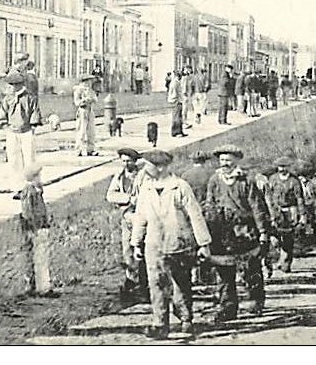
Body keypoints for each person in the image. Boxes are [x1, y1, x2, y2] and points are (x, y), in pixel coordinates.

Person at [131, 150, 212, 340]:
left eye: (148, 165)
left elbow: (195, 215)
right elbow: (140, 217)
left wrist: (203, 243)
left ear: (160, 167)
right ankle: (160, 324)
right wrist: (136, 242)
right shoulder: (146, 188)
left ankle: (185, 319)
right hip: (154, 244)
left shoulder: (180, 186)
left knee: (181, 283)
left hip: (179, 243)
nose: (144, 168)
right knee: (156, 284)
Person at [204, 144, 271, 322]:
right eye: (222, 160)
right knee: (224, 271)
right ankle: (228, 307)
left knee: (251, 268)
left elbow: (258, 208)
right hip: (222, 234)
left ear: (236, 161)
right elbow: (209, 204)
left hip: (245, 232)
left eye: (228, 160)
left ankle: (256, 301)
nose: (224, 163)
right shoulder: (214, 180)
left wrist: (263, 232)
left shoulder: (246, 181)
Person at [106, 147, 148, 301]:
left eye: (128, 161)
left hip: (143, 216)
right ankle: (131, 280)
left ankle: (144, 284)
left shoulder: (143, 176)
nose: (125, 164)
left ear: (135, 161)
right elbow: (110, 195)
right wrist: (128, 199)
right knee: (128, 250)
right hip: (127, 218)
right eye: (123, 161)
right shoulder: (119, 177)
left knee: (142, 248)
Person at [19, 163, 59, 297]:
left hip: (39, 227)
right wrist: (34, 227)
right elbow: (28, 212)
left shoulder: (35, 190)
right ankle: (43, 288)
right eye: (38, 176)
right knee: (41, 258)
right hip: (37, 228)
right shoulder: (30, 191)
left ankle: (39, 286)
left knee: (40, 258)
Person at [267, 156, 307, 273]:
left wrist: (302, 214)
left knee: (288, 238)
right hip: (276, 211)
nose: (282, 169)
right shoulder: (273, 179)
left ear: (289, 168)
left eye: (285, 166)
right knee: (275, 237)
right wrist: (270, 210)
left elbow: (299, 198)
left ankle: (286, 262)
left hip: (291, 210)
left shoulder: (294, 181)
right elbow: (268, 196)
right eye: (280, 166)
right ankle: (281, 256)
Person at [0, 72, 42, 174]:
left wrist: (33, 126)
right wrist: (5, 126)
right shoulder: (8, 98)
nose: (12, 87)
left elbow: (35, 112)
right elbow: (3, 113)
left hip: (26, 131)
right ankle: (16, 184)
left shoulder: (30, 98)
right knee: (13, 159)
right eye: (10, 85)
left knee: (29, 159)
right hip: (12, 132)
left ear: (20, 85)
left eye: (14, 84)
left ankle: (30, 183)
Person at [73, 74, 99, 156]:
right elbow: (77, 102)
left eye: (90, 81)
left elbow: (95, 99)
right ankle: (78, 149)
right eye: (88, 81)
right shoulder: (78, 90)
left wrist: (92, 99)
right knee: (81, 131)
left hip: (90, 110)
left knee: (91, 131)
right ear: (83, 81)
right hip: (82, 111)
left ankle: (90, 149)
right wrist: (84, 100)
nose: (90, 83)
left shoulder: (90, 90)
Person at [298, 162, 316, 236]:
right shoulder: (298, 184)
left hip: (311, 202)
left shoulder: (311, 184)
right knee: (302, 218)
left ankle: (314, 231)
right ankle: (302, 232)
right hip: (302, 203)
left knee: (313, 217)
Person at [167, 70, 187, 137]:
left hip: (177, 101)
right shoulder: (175, 83)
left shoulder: (175, 82)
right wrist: (179, 100)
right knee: (176, 117)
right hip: (176, 101)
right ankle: (175, 132)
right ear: (178, 76)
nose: (181, 77)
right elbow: (176, 93)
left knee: (178, 117)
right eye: (180, 76)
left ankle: (179, 131)